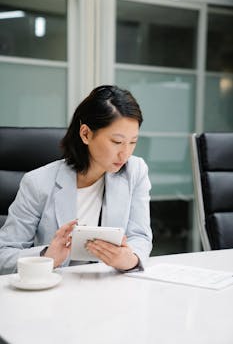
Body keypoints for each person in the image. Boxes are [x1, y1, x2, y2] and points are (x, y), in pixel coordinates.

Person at [0, 85, 153, 275]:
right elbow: (4, 254)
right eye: (117, 142)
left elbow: (140, 236)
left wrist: (129, 258)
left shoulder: (135, 171)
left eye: (133, 142)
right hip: (55, 290)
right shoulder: (37, 183)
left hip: (110, 285)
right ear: (86, 134)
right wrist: (47, 257)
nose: (125, 153)